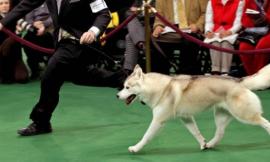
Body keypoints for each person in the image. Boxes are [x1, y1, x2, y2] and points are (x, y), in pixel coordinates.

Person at [0, 0, 127, 136]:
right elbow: (27, 4)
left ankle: (41, 122)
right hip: (61, 42)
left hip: (81, 42)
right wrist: (3, 22)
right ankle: (122, 80)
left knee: (50, 75)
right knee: (80, 76)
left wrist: (92, 31)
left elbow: (104, 14)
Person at [151, 0, 208, 74]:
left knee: (188, 43)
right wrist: (158, 26)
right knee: (154, 41)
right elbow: (159, 17)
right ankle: (161, 78)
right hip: (170, 29)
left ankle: (185, 77)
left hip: (191, 28)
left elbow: (206, 12)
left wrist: (197, 25)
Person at [204, 0, 245, 75]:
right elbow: (209, 21)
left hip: (231, 31)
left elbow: (239, 23)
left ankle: (225, 71)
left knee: (225, 43)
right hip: (215, 31)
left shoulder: (239, 2)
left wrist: (230, 32)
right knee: (215, 43)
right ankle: (215, 70)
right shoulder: (211, 2)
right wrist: (208, 31)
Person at [16, 3, 54, 80]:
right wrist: (35, 25)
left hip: (51, 28)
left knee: (51, 38)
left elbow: (54, 17)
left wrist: (43, 24)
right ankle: (35, 68)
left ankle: (51, 68)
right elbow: (28, 20)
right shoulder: (31, 2)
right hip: (34, 28)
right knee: (28, 39)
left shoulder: (54, 2)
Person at [122, 0, 155, 74]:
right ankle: (143, 45)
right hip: (139, 26)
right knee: (131, 18)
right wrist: (143, 12)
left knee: (129, 37)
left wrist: (139, 11)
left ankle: (128, 71)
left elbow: (157, 15)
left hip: (153, 26)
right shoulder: (139, 1)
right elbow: (127, 12)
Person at [238, 0, 270, 75]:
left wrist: (266, 19)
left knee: (262, 46)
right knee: (244, 47)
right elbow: (244, 19)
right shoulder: (248, 1)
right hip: (255, 30)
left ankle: (259, 76)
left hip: (269, 29)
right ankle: (251, 75)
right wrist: (253, 22)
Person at [0, 0, 28, 83]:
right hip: (1, 56)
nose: (4, 5)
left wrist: (18, 33)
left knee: (22, 78)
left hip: (15, 56)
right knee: (6, 79)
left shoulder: (16, 17)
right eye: (1, 3)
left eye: (6, 3)